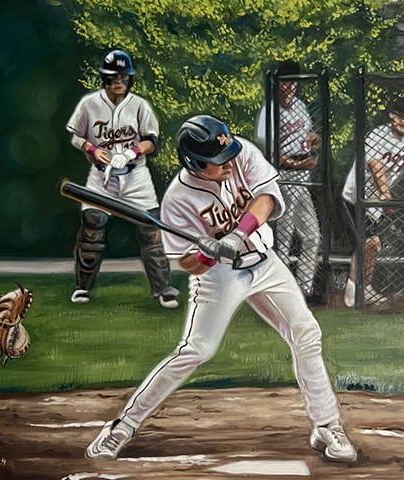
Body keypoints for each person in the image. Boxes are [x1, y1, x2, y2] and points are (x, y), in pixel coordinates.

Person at [84, 115, 357, 464]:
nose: (228, 163)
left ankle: (327, 425)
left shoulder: (239, 152)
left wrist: (238, 233)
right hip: (218, 278)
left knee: (306, 332)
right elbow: (188, 264)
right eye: (217, 162)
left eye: (228, 155)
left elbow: (267, 199)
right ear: (195, 164)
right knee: (197, 350)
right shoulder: (177, 201)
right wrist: (206, 254)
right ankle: (123, 426)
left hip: (264, 261)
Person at [66, 49, 179, 308]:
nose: (119, 81)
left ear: (129, 79)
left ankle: (164, 289)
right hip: (100, 176)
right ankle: (83, 287)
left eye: (123, 77)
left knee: (151, 230)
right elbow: (76, 136)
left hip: (135, 175)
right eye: (113, 77)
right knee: (92, 228)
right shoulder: (89, 104)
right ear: (105, 78)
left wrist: (131, 152)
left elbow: (151, 140)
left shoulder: (139, 105)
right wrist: (93, 150)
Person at [340, 98, 404, 307]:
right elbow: (375, 166)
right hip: (358, 195)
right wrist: (385, 194)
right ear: (392, 115)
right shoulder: (378, 135)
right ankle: (352, 289)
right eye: (402, 117)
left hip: (377, 200)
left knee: (373, 245)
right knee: (367, 242)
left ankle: (364, 288)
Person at [254, 59, 321, 298]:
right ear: (277, 84)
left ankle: (304, 288)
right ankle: (282, 290)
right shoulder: (269, 110)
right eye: (285, 82)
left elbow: (307, 135)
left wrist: (313, 139)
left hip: (302, 174)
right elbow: (270, 150)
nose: (290, 86)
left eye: (293, 81)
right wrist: (296, 163)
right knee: (284, 237)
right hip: (283, 174)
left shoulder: (301, 106)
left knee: (312, 235)